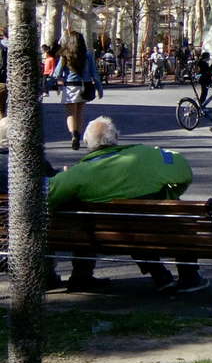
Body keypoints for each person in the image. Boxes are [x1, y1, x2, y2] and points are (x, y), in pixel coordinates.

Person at [47, 117, 202, 292]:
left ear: (87, 143)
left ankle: (82, 275)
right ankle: (189, 275)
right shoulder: (146, 155)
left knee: (84, 215)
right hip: (154, 229)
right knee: (165, 213)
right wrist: (171, 194)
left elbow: (48, 196)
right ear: (116, 137)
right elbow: (184, 172)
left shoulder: (79, 173)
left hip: (103, 236)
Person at [55, 30, 102, 150]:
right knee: (80, 112)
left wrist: (49, 84)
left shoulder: (65, 55)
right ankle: (79, 134)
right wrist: (99, 88)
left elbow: (57, 73)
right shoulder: (88, 55)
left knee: (71, 113)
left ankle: (73, 135)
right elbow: (94, 73)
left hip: (70, 86)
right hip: (85, 86)